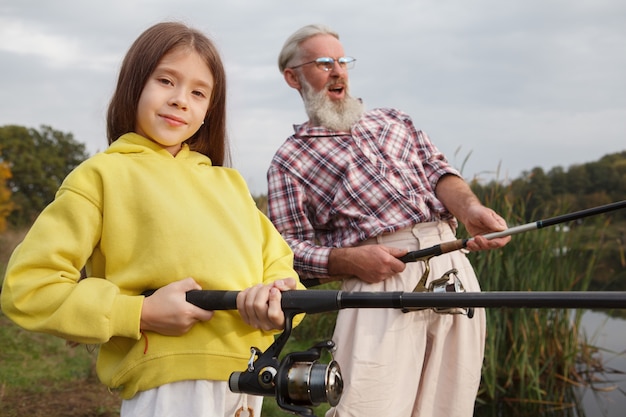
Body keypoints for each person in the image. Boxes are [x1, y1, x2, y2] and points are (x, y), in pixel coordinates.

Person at [1, 21, 304, 417]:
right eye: (166, 81)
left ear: (209, 110)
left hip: (247, 383)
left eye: (199, 92)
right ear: (134, 84)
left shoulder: (230, 185)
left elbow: (282, 272)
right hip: (168, 387)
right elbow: (28, 287)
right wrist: (139, 313)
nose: (181, 100)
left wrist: (276, 301)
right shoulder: (101, 176)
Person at [266, 24, 511, 417]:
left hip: (453, 267)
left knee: (449, 406)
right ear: (293, 77)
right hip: (374, 282)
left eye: (343, 61)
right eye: (323, 62)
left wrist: (470, 211)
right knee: (365, 405)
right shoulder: (288, 159)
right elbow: (285, 249)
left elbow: (439, 173)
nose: (338, 71)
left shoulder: (396, 120)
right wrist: (348, 261)